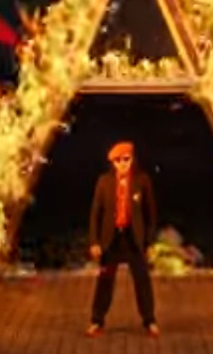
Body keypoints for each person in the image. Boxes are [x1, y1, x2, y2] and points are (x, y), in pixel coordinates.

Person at [85, 140, 159, 338]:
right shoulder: (104, 182)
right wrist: (94, 241)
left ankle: (149, 320)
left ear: (132, 159)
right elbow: (95, 214)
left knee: (142, 280)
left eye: (126, 159)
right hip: (112, 239)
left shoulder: (142, 180)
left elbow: (150, 214)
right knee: (105, 280)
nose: (122, 164)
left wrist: (149, 242)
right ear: (113, 163)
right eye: (118, 161)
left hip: (134, 238)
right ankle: (97, 320)